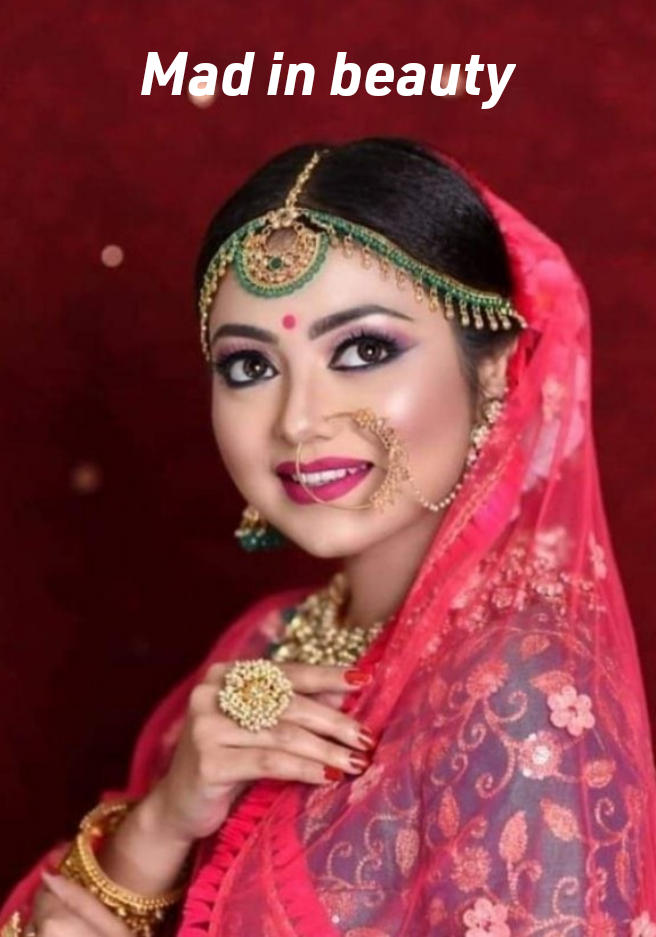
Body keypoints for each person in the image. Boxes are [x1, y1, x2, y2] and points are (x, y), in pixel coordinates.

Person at [2, 138, 655, 936]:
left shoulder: (519, 695)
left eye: (365, 349)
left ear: (495, 368)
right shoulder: (269, 640)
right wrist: (164, 820)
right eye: (250, 366)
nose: (299, 419)